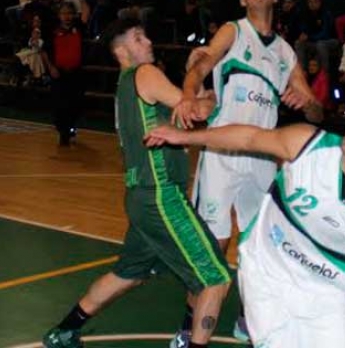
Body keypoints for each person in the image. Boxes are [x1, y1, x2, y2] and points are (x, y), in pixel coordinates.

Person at [145, 95, 345, 348]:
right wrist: (186, 136)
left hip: (328, 290)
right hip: (267, 272)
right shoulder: (309, 146)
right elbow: (249, 138)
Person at [41, 18, 231, 348]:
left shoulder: (125, 86)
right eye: (139, 38)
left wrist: (195, 89)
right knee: (216, 278)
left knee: (128, 273)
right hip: (161, 196)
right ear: (122, 50)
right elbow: (198, 112)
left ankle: (64, 331)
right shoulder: (145, 74)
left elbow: (185, 110)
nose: (148, 43)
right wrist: (205, 87)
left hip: (141, 197)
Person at [173, 0, 321, 342]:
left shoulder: (286, 52)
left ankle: (247, 317)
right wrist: (189, 95)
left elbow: (317, 112)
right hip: (222, 153)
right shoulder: (233, 31)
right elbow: (200, 66)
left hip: (262, 160)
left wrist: (308, 101)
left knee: (260, 247)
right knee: (214, 246)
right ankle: (187, 324)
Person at [44, 0, 91, 146]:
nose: (67, 17)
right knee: (59, 105)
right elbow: (44, 51)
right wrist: (51, 67)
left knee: (75, 104)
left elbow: (86, 13)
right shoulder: (52, 31)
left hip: (76, 73)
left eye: (70, 13)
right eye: (64, 13)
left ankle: (70, 128)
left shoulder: (78, 27)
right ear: (59, 15)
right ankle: (63, 131)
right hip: (59, 73)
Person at [295, 0, 340, 71]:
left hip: (330, 41)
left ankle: (324, 74)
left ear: (320, 3)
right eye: (310, 2)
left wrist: (309, 37)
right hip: (313, 41)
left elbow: (325, 34)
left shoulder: (326, 14)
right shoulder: (305, 14)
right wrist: (302, 35)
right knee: (299, 43)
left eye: (315, 2)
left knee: (320, 44)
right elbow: (303, 30)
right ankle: (302, 71)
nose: (313, 4)